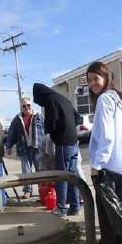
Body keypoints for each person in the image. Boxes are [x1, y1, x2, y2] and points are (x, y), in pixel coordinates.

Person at [85, 61, 122, 244]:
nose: (92, 83)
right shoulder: (120, 97)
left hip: (110, 162)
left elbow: (107, 136)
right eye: (89, 80)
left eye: (95, 78)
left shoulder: (104, 100)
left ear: (106, 77)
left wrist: (97, 164)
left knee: (106, 205)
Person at [32, 83, 81, 216]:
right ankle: (75, 207)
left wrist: (55, 133)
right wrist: (69, 127)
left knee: (62, 177)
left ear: (40, 95)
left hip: (63, 143)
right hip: (74, 142)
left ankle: (61, 208)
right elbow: (78, 118)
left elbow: (50, 124)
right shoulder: (64, 99)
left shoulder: (50, 100)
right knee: (72, 176)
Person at [5, 96, 45, 199]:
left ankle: (42, 190)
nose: (26, 107)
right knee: (26, 172)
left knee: (40, 171)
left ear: (31, 105)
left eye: (28, 105)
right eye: (24, 106)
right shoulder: (17, 119)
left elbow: (47, 131)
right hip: (24, 148)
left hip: (37, 148)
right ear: (21, 107)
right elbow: (11, 133)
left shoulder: (39, 116)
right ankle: (27, 191)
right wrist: (8, 146)